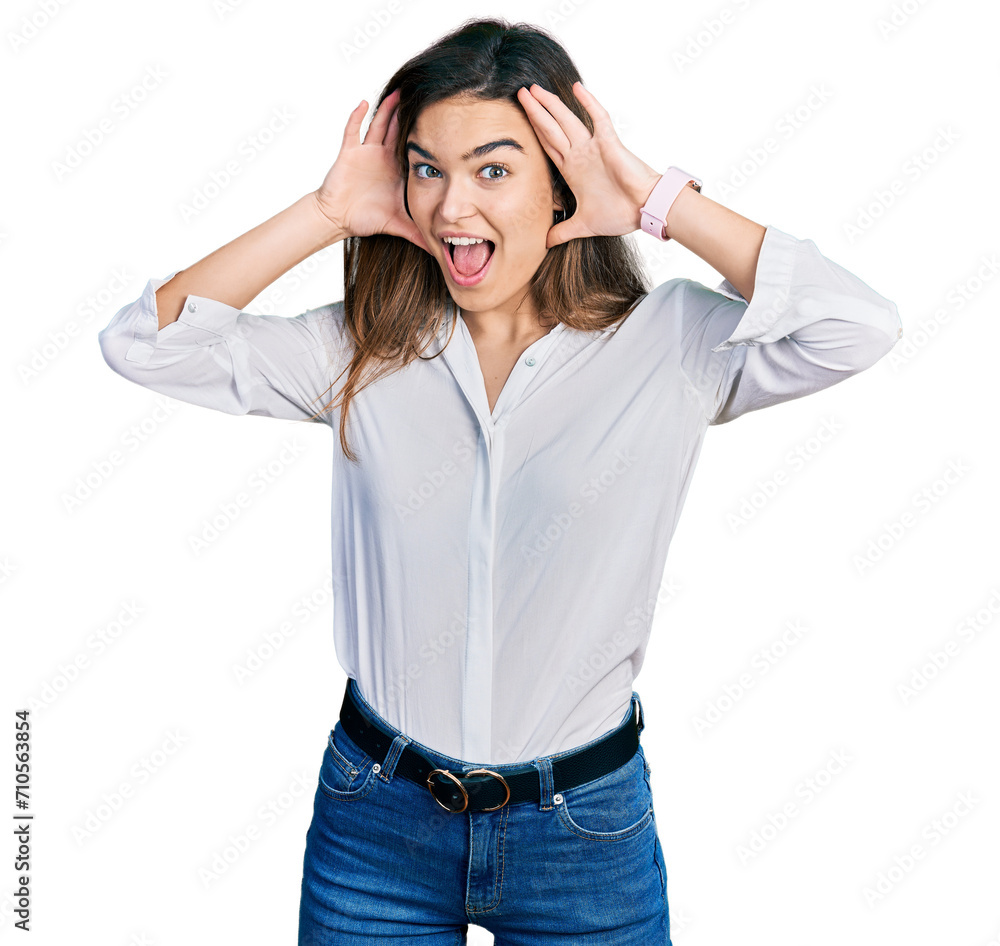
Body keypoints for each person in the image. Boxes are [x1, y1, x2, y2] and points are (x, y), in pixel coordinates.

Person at [96, 16, 902, 946]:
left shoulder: (671, 343)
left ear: (561, 179)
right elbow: (141, 346)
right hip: (378, 824)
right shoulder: (360, 347)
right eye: (428, 168)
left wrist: (654, 198)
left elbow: (859, 326)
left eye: (492, 169)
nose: (450, 208)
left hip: (583, 835)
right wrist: (324, 214)